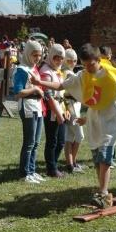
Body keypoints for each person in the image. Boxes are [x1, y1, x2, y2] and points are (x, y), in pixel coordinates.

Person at [31, 43, 116, 208]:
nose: (88, 68)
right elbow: (61, 85)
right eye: (85, 65)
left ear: (99, 60)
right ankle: (102, 191)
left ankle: (103, 192)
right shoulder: (82, 75)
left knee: (105, 155)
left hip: (111, 118)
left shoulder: (111, 73)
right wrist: (40, 82)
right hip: (95, 118)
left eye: (91, 64)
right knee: (97, 157)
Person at [13, 40, 45, 184]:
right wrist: (35, 89)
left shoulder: (33, 68)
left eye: (39, 55)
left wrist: (40, 91)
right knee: (29, 142)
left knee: (36, 142)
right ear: (27, 54)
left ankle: (31, 170)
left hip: (37, 107)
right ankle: (24, 173)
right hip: (28, 108)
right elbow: (18, 92)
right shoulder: (22, 69)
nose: (37, 58)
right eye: (34, 55)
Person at [39, 44, 67, 178]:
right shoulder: (46, 70)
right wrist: (57, 112)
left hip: (60, 108)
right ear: (51, 56)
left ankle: (53, 165)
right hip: (52, 111)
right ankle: (51, 169)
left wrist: (65, 109)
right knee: (52, 140)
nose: (59, 61)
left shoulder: (57, 70)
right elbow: (48, 95)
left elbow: (62, 92)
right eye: (56, 58)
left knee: (61, 140)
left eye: (61, 58)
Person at [62, 48, 86, 173]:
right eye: (70, 61)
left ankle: (71, 164)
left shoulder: (70, 72)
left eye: (75, 60)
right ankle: (72, 163)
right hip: (70, 105)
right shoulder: (67, 73)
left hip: (74, 104)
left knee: (70, 136)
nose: (73, 63)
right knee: (79, 135)